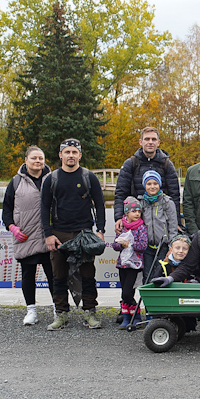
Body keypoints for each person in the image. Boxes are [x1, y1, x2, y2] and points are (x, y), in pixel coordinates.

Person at [40, 138, 106, 331]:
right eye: (67, 152)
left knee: (87, 274)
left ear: (80, 155)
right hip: (59, 233)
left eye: (74, 152)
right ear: (60, 155)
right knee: (58, 276)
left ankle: (89, 312)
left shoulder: (88, 177)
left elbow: (100, 204)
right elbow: (44, 208)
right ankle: (61, 314)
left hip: (84, 233)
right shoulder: (51, 179)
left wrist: (100, 231)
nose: (71, 155)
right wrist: (48, 234)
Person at [2, 146, 54, 325]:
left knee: (54, 275)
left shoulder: (53, 179)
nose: (38, 161)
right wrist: (12, 227)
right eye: (34, 158)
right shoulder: (15, 182)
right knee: (28, 275)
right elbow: (6, 210)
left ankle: (58, 309)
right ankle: (31, 311)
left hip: (49, 237)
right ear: (26, 160)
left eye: (41, 158)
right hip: (26, 237)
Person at [113, 127, 181, 234]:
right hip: (136, 218)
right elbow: (121, 192)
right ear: (141, 142)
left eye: (153, 139)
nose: (150, 142)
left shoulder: (166, 164)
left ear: (158, 142)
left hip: (161, 219)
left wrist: (177, 222)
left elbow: (174, 195)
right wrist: (118, 217)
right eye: (147, 139)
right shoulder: (130, 164)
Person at [110, 197, 148, 329]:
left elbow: (143, 246)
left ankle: (136, 316)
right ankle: (127, 318)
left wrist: (130, 244)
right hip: (122, 264)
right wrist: (121, 245)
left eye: (139, 211)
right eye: (134, 211)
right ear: (127, 213)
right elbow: (115, 245)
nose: (137, 213)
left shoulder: (141, 228)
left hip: (135, 265)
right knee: (124, 293)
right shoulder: (123, 227)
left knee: (128, 292)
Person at [140, 170, 179, 283]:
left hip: (163, 246)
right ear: (144, 185)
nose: (152, 186)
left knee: (161, 272)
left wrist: (172, 245)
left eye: (155, 183)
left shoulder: (167, 202)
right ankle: (148, 299)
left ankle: (161, 298)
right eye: (149, 184)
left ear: (159, 185)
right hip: (147, 246)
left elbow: (172, 225)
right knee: (147, 274)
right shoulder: (141, 203)